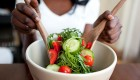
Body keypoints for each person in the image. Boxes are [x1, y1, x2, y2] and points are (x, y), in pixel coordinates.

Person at [11, 0, 122, 60]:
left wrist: (100, 36)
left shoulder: (90, 2)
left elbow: (85, 46)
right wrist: (29, 32)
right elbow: (27, 56)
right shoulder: (28, 1)